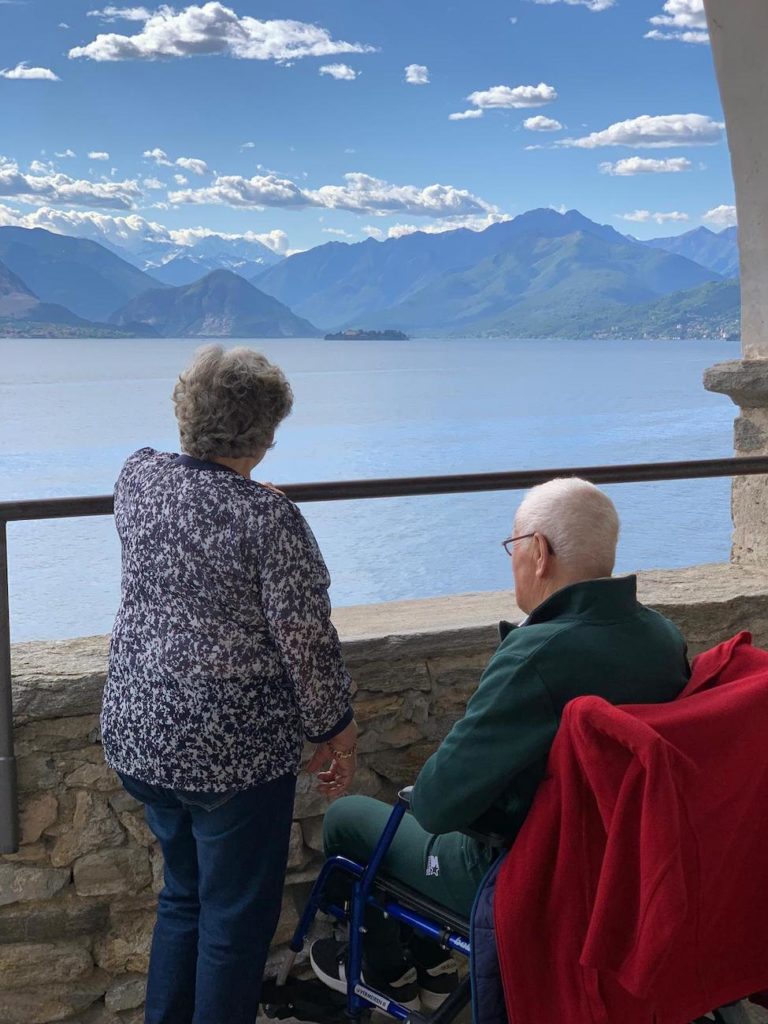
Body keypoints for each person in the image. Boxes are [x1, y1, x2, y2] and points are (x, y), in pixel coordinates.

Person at [310, 477, 690, 1012]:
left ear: (539, 553)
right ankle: (434, 970)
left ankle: (387, 971)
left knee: (347, 818)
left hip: (522, 870)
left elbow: (440, 804)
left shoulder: (535, 656)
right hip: (625, 865)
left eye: (513, 546)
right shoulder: (663, 638)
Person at [101, 345, 357, 1024]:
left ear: (185, 413)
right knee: (235, 922)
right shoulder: (270, 520)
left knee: (183, 896)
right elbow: (306, 642)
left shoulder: (137, 478)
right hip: (230, 757)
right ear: (267, 433)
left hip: (140, 733)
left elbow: (191, 513)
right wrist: (336, 729)